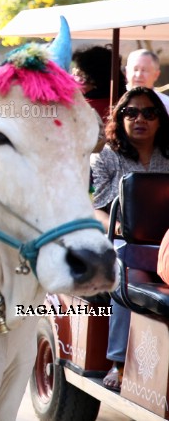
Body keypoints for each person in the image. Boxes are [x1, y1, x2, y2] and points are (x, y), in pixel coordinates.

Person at [91, 87, 169, 392]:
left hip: (164, 243)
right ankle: (119, 361)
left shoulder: (168, 155)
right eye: (131, 112)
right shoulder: (107, 157)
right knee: (122, 266)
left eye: (149, 113)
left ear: (159, 120)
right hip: (123, 243)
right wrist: (117, 228)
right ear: (120, 118)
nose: (140, 119)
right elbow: (96, 209)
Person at [72, 45, 125, 120]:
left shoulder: (88, 107)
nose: (73, 78)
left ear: (94, 80)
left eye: (79, 75)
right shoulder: (122, 101)